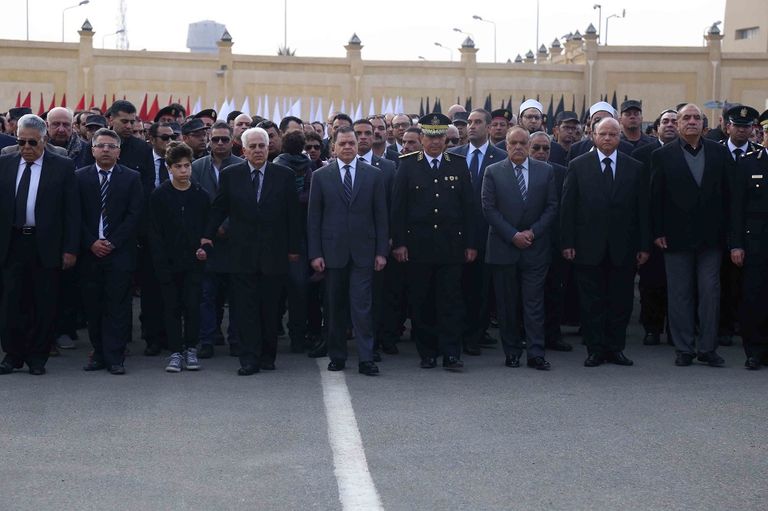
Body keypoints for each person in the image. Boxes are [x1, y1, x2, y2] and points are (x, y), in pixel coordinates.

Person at [201, 126, 300, 375]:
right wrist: (207, 236)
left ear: (269, 148)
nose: (258, 150)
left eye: (262, 146)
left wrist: (293, 249)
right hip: (241, 254)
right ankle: (249, 358)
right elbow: (219, 208)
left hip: (274, 254)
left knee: (269, 307)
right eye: (253, 146)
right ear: (243, 150)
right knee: (245, 309)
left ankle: (268, 356)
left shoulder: (284, 175)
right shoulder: (231, 174)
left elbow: (293, 216)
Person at [650, 103, 740, 367]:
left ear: (704, 124)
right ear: (677, 124)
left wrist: (731, 235)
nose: (691, 121)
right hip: (675, 237)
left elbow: (729, 196)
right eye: (686, 117)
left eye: (696, 118)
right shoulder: (663, 155)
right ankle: (684, 348)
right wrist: (657, 231)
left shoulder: (719, 153)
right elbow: (655, 197)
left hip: (711, 238)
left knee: (710, 291)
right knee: (680, 293)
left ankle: (708, 348)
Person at [561, 117, 650, 367]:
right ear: (593, 136)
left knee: (620, 302)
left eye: (613, 134)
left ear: (619, 137)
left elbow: (642, 210)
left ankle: (616, 348)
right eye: (603, 134)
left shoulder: (634, 167)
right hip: (588, 247)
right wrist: (567, 242)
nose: (608, 138)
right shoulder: (579, 165)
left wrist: (644, 246)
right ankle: (595, 349)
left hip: (624, 247)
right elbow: (568, 208)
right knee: (591, 302)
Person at [391, 113, 476, 371]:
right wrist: (399, 244)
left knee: (451, 302)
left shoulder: (458, 164)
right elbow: (399, 209)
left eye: (440, 137)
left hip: (451, 246)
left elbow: (469, 208)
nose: (435, 142)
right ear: (421, 138)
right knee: (422, 300)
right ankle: (427, 352)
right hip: (419, 246)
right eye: (430, 136)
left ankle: (451, 353)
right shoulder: (407, 164)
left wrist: (471, 244)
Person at [0, 114, 79, 376]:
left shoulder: (63, 167)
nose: (26, 148)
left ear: (44, 140)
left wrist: (70, 249)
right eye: (21, 142)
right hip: (12, 242)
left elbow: (71, 212)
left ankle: (37, 357)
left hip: (46, 245)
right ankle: (12, 355)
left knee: (43, 303)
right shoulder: (5, 163)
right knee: (11, 303)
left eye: (32, 143)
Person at [307, 127, 389, 375]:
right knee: (335, 307)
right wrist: (315, 253)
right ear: (333, 147)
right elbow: (314, 219)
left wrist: (381, 251)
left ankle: (366, 358)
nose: (347, 147)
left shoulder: (374, 175)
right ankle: (337, 356)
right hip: (332, 253)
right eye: (342, 143)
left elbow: (381, 216)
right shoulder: (321, 176)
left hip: (364, 252)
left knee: (362, 307)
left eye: (351, 143)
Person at [482, 127, 558, 370]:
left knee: (534, 303)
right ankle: (512, 351)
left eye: (522, 143)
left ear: (529, 145)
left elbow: (552, 206)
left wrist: (532, 232)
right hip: (504, 247)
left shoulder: (545, 171)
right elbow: (489, 209)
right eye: (513, 143)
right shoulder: (493, 171)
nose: (518, 147)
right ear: (506, 145)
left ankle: (536, 353)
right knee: (507, 304)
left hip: (535, 248)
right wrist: (513, 235)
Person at [77, 128, 144, 375]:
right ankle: (98, 354)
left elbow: (135, 215)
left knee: (117, 306)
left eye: (111, 146)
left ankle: (115, 357)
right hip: (90, 252)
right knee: (93, 306)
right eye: (101, 145)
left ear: (119, 151)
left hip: (119, 253)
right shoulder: (80, 177)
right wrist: (91, 242)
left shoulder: (131, 178)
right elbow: (75, 216)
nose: (106, 149)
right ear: (92, 149)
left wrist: (112, 242)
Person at [448, 108, 507, 355]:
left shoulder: (501, 157)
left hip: (486, 234)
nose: (471, 126)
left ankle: (474, 335)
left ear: (490, 126)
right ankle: (455, 334)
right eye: (469, 122)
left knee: (480, 289)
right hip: (454, 234)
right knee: (454, 288)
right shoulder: (452, 155)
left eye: (477, 122)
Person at [149, 142, 210, 372]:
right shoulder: (160, 195)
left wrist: (205, 248)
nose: (184, 170)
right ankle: (175, 351)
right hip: (168, 263)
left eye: (187, 166)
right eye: (178, 166)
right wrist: (160, 262)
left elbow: (207, 228)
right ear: (169, 168)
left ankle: (191, 348)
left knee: (192, 305)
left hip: (194, 263)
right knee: (172, 307)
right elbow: (154, 232)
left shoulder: (200, 195)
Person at [191, 121, 244, 358]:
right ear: (208, 140)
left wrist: (226, 226)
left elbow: (246, 204)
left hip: (235, 241)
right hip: (206, 241)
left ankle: (236, 339)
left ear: (233, 140)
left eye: (225, 139)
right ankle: (207, 340)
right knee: (206, 295)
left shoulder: (243, 167)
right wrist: (209, 231)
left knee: (236, 296)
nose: (220, 143)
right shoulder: (196, 167)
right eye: (215, 139)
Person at [631, 109, 679, 346]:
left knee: (678, 284)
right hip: (650, 227)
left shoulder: (689, 151)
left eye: (674, 121)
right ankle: (652, 328)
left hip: (678, 229)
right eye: (665, 121)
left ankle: (676, 329)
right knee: (651, 281)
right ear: (657, 127)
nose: (670, 125)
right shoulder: (642, 154)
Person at [718, 105, 763, 347]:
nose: (743, 130)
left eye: (747, 127)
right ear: (728, 127)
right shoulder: (715, 152)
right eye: (738, 126)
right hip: (719, 227)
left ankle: (742, 326)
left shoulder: (757, 155)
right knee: (725, 281)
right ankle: (724, 326)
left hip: (749, 230)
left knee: (748, 283)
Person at [528, 130, 573, 352]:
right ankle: (526, 334)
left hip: (556, 242)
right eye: (536, 148)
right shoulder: (519, 172)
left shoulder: (563, 172)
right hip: (528, 241)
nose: (541, 152)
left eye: (546, 148)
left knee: (556, 291)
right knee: (529, 293)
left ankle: (553, 335)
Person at [732, 107, 768, 369]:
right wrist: (736, 244)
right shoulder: (749, 163)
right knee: (754, 297)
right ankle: (755, 351)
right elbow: (737, 208)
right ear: (761, 133)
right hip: (755, 242)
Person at [274, 130, 314, 353]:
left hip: (278, 233)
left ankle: (273, 331)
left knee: (274, 289)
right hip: (300, 233)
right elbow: (310, 195)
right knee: (299, 290)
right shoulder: (308, 167)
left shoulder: (277, 166)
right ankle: (298, 337)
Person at [567, 102, 635, 161]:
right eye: (597, 119)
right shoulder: (576, 149)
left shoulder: (628, 149)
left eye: (606, 119)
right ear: (590, 124)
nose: (602, 123)